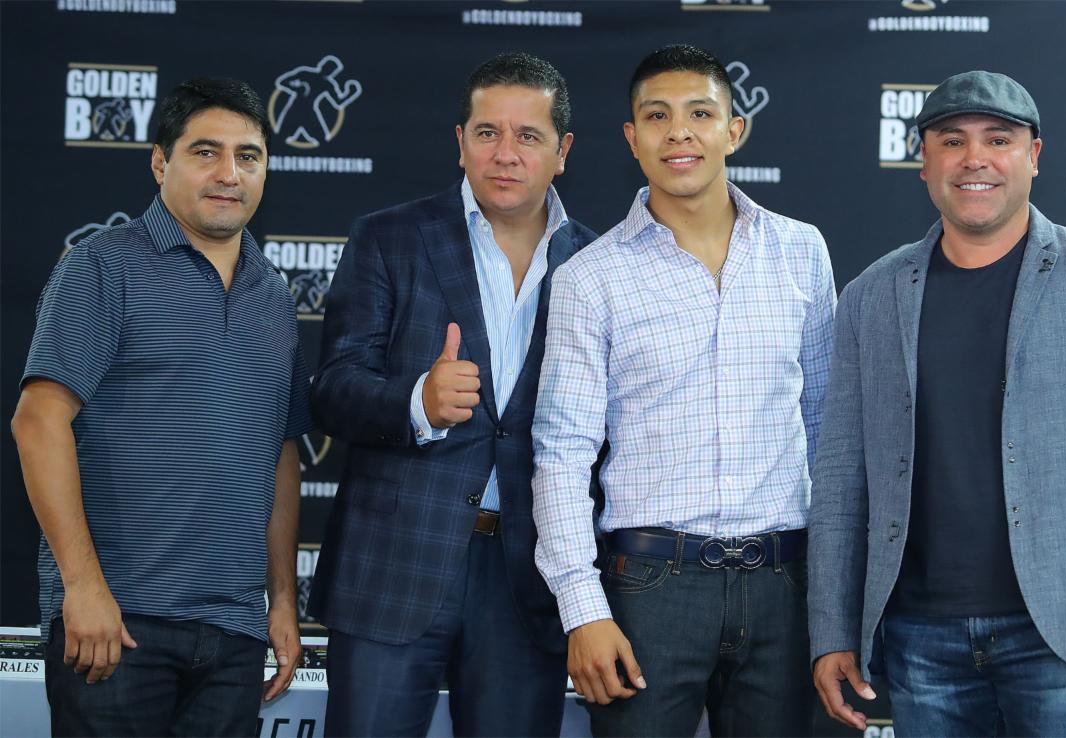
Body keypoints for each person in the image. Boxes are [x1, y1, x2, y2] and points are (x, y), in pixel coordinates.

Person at [808, 70, 1066, 737]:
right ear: (924, 160)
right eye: (952, 140)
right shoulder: (870, 295)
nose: (974, 158)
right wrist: (832, 630)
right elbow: (841, 476)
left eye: (998, 139)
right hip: (919, 637)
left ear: (1033, 156)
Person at [532, 44, 835, 738]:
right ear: (632, 138)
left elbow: (827, 432)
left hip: (786, 584)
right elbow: (561, 455)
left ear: (735, 130)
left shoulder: (801, 252)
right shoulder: (590, 278)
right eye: (657, 116)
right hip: (649, 589)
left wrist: (834, 596)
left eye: (700, 113)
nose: (679, 133)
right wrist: (583, 609)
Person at [308, 52, 596, 737]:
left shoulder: (598, 264)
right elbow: (332, 391)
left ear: (562, 151)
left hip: (529, 579)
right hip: (393, 569)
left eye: (528, 136)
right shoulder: (389, 238)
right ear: (460, 141)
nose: (506, 153)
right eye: (487, 132)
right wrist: (417, 403)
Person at [12, 77, 311, 736]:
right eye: (206, 152)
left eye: (248, 156)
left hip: (234, 636)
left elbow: (281, 455)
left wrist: (283, 600)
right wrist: (82, 588)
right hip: (117, 625)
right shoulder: (102, 267)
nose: (229, 173)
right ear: (159, 162)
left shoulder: (273, 296)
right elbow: (38, 420)